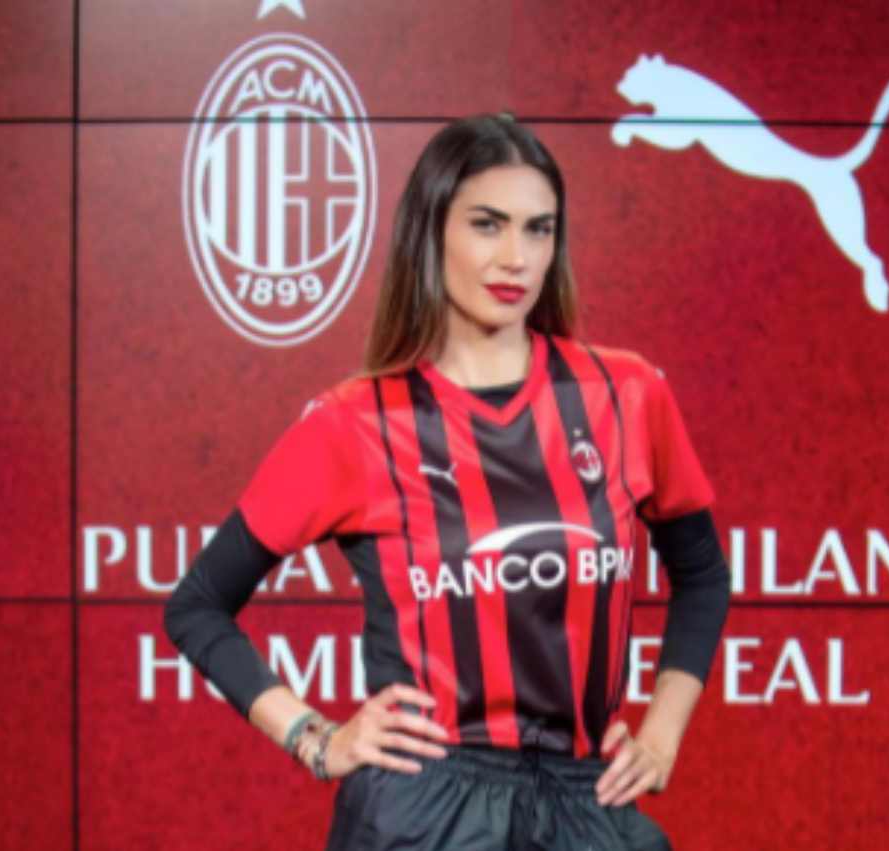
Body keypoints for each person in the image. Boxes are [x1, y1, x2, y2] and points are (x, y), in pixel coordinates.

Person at [164, 114, 730, 851]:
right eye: (487, 225)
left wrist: (660, 736)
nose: (516, 257)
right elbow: (198, 605)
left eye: (538, 229)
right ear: (431, 231)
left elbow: (703, 574)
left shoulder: (626, 393)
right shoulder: (355, 422)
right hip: (424, 812)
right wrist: (314, 736)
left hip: (584, 800)